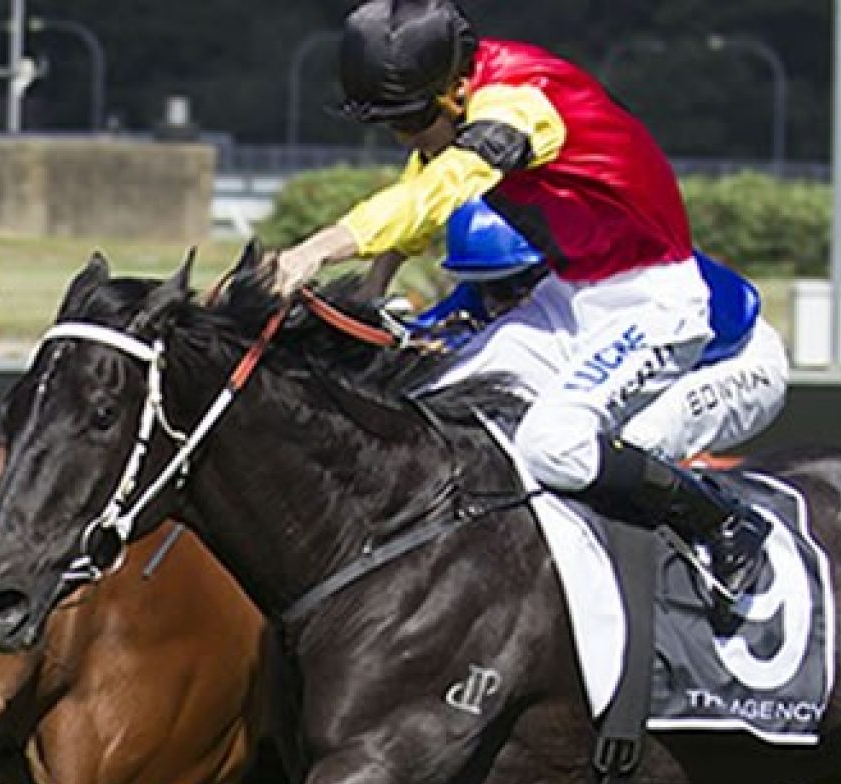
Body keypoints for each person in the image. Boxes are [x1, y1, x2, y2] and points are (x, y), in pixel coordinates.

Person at [273, 0, 771, 602]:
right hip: (569, 296)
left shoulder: (521, 104)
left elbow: (446, 186)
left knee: (552, 446)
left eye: (405, 121)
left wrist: (318, 249)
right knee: (429, 406)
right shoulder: (457, 97)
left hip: (655, 303)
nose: (401, 136)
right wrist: (379, 275)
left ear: (456, 91)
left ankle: (721, 519)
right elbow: (424, 182)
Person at [412, 199, 790, 461]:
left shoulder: (620, 270)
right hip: (657, 366)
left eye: (514, 284)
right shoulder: (502, 276)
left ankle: (723, 532)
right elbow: (430, 331)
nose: (496, 300)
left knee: (626, 443)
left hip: (735, 360)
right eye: (485, 287)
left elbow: (729, 315)